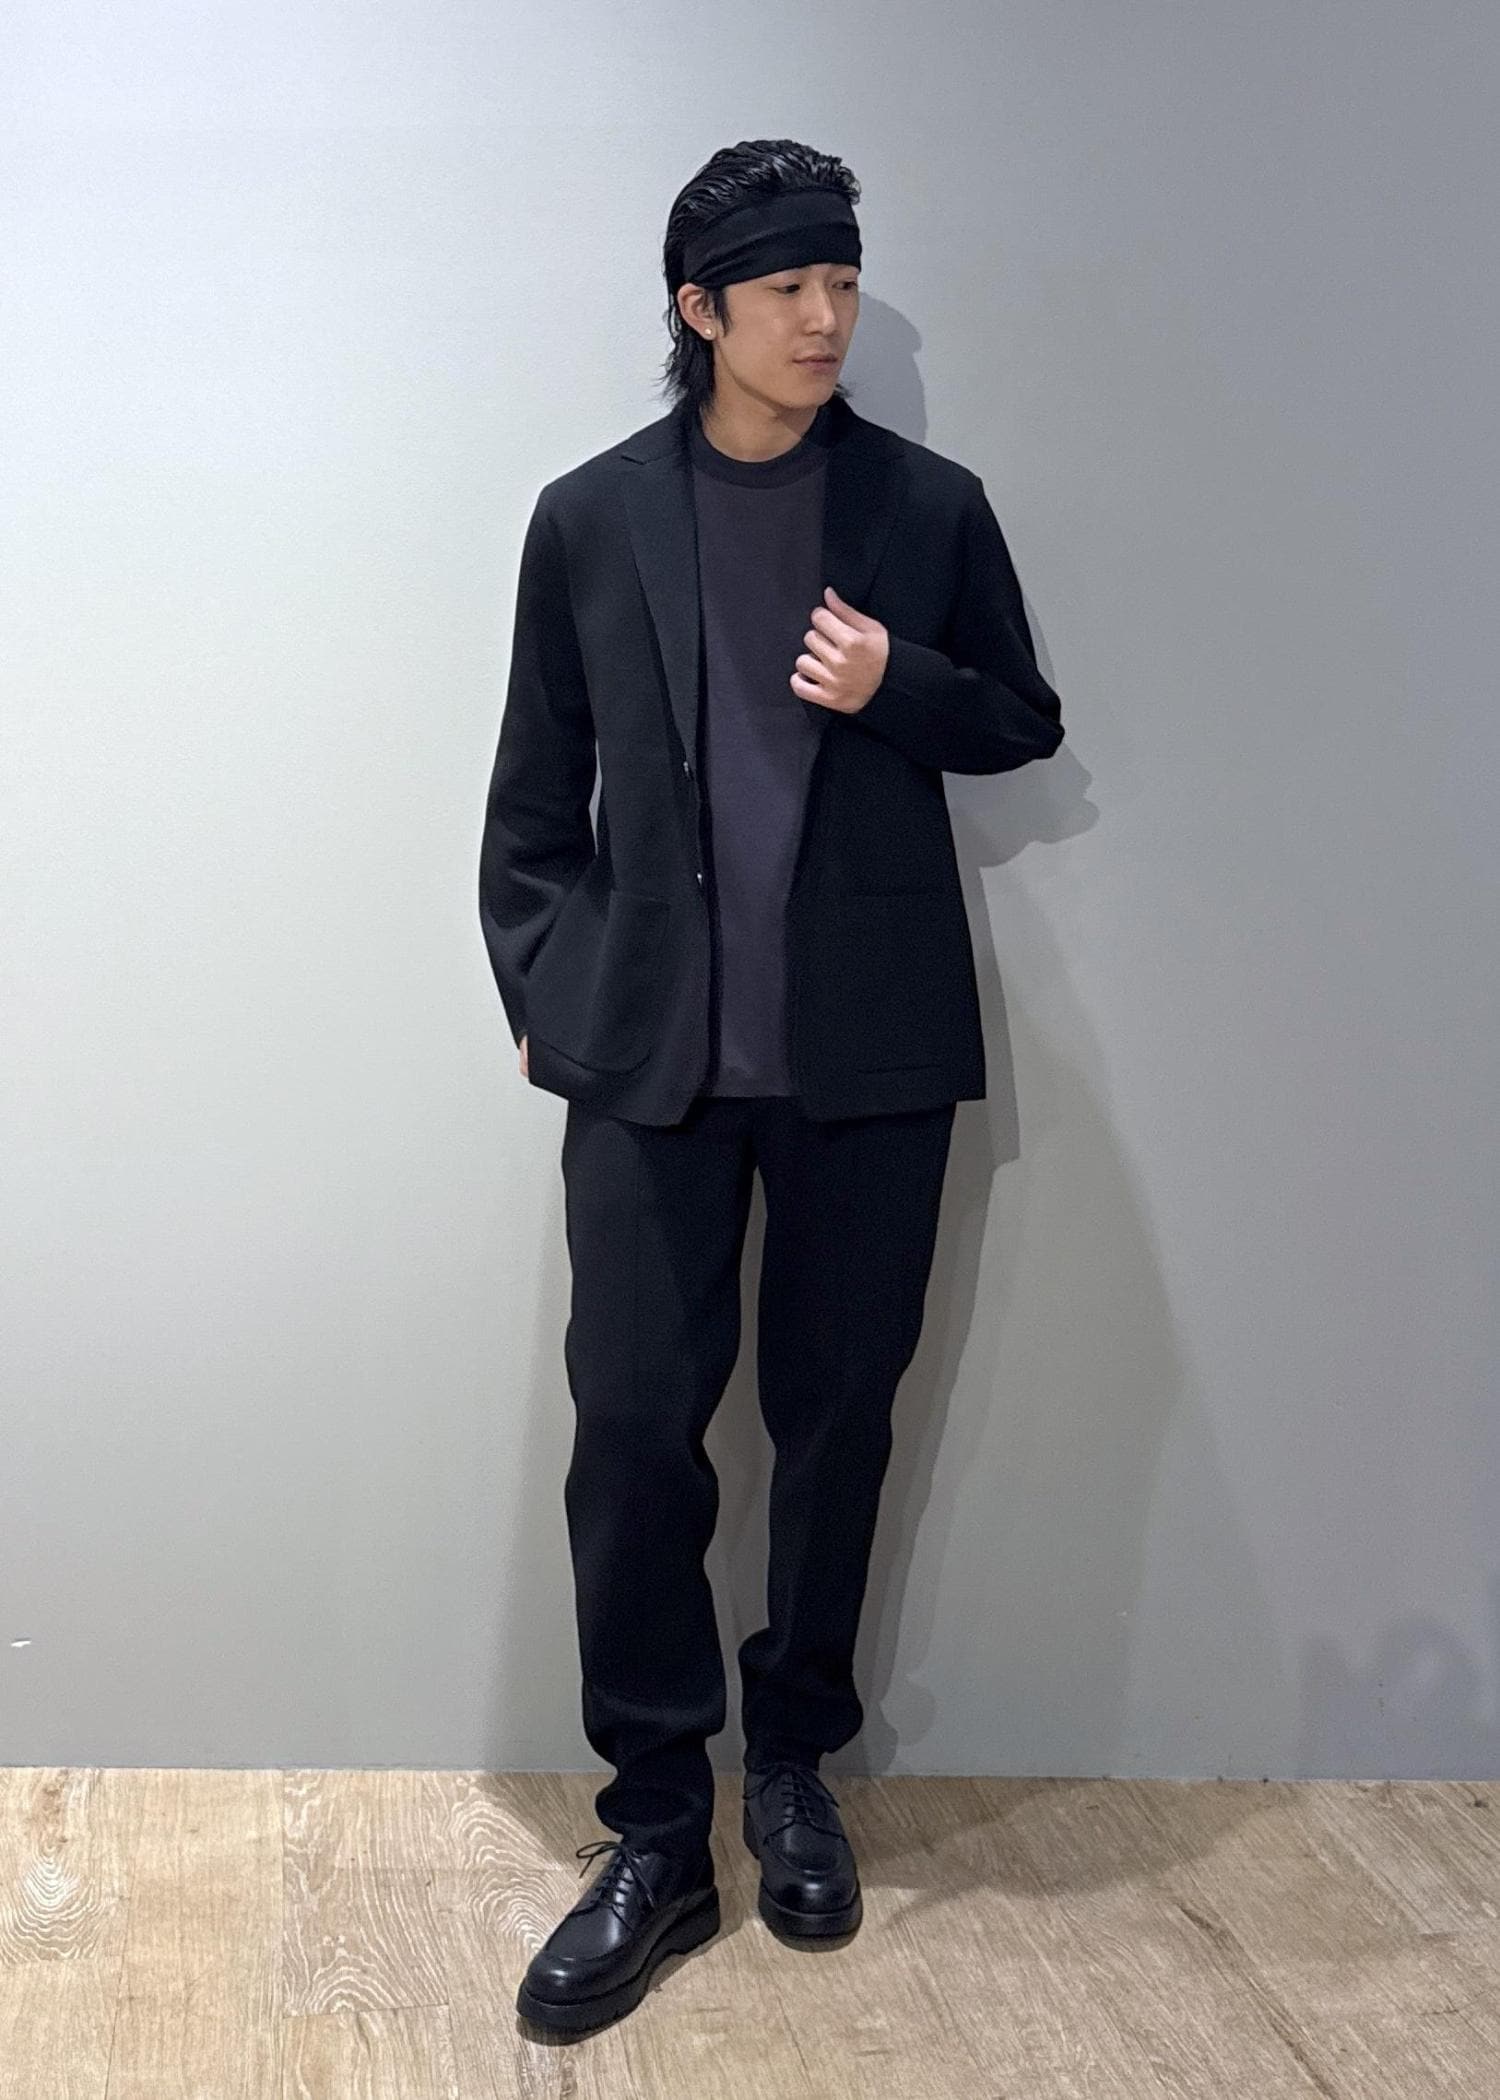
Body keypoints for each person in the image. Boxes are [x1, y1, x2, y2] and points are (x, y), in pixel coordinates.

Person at [478, 137, 1064, 2036]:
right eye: (792, 288)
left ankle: (795, 1765)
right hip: (650, 1063)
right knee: (636, 1435)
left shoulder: (926, 507)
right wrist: (549, 989)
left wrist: (899, 679)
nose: (827, 319)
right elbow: (531, 805)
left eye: (845, 284)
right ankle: (655, 1825)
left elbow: (1022, 715)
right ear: (700, 308)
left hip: (863, 1058)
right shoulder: (590, 518)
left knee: (834, 1426)